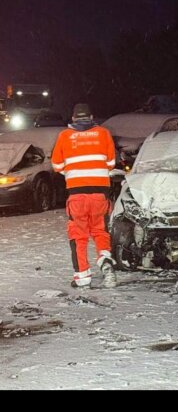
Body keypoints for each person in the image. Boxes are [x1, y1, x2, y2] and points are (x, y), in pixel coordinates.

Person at [51, 103, 117, 288]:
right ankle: (105, 261)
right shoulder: (103, 133)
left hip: (77, 194)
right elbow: (111, 162)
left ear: (73, 118)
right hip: (100, 192)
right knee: (100, 230)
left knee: (78, 235)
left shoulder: (64, 136)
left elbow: (56, 165)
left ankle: (82, 277)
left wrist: (73, 173)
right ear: (91, 117)